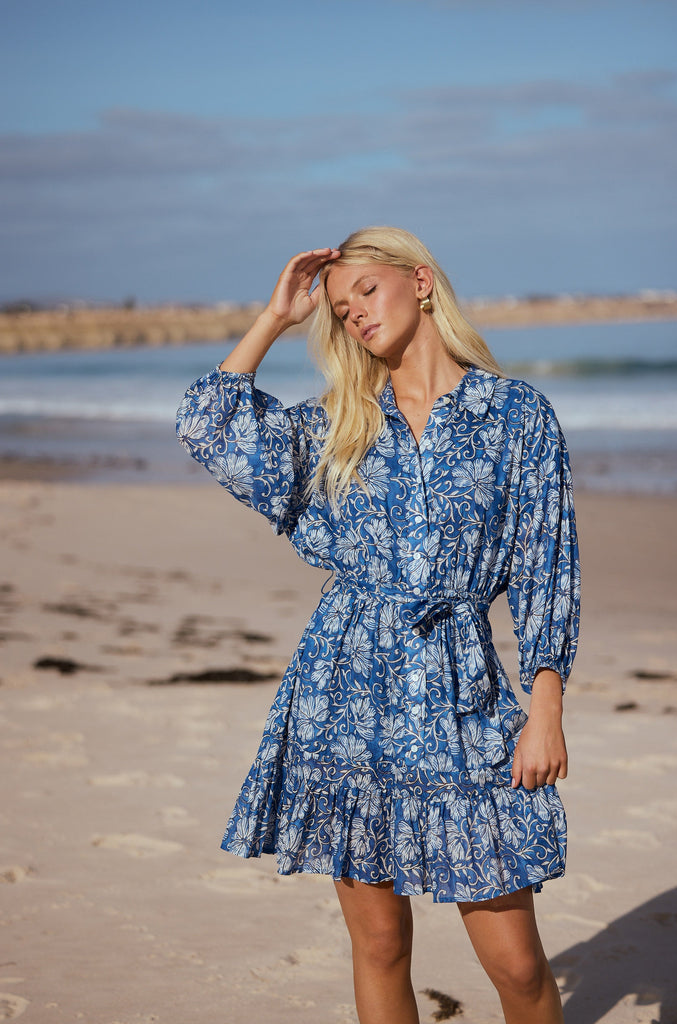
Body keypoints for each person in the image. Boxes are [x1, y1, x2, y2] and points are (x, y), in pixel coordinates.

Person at [176, 226, 580, 1024]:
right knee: (380, 946)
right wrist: (273, 318)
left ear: (420, 281)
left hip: (464, 699)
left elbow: (547, 569)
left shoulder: (515, 416)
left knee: (517, 964)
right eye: (338, 306)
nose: (353, 312)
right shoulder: (338, 422)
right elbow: (208, 428)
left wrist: (545, 708)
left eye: (365, 289)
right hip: (344, 695)